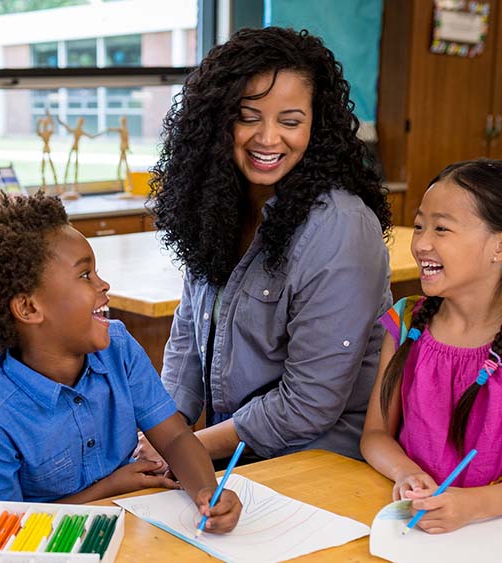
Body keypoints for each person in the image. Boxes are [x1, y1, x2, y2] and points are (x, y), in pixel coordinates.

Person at [139, 27, 393, 467]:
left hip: (316, 461)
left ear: (317, 127)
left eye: (290, 122)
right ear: (218, 121)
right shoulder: (218, 205)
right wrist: (164, 430)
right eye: (248, 116)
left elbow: (307, 406)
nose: (268, 138)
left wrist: (184, 449)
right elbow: (187, 335)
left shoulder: (340, 229)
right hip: (232, 447)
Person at [0, 193, 241, 533]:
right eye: (85, 275)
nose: (103, 284)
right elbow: (2, 535)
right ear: (28, 309)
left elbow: (174, 439)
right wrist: (108, 488)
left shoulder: (118, 347)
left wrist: (207, 492)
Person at [360, 159, 502, 534]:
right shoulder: (405, 322)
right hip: (424, 526)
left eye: (441, 229)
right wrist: (407, 474)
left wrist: (471, 506)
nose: (421, 243)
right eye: (419, 226)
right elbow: (375, 435)